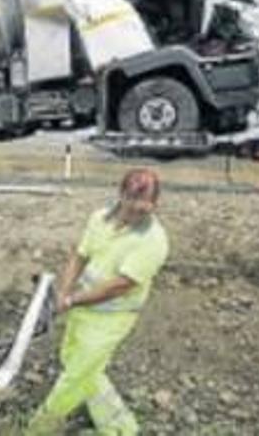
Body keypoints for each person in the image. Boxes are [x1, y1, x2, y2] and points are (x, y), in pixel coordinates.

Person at [27, 169, 169, 436]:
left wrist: (71, 299)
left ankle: (39, 428)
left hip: (111, 319)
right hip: (82, 310)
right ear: (121, 195)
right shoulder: (99, 219)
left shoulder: (153, 241)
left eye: (146, 203)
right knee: (73, 359)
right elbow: (79, 256)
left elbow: (120, 286)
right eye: (133, 200)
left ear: (155, 203)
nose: (139, 208)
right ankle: (121, 427)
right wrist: (64, 292)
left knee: (76, 375)